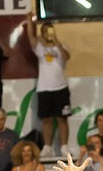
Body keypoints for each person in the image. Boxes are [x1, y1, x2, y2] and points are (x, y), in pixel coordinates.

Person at [25, 14, 71, 153]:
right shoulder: (39, 48)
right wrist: (29, 20)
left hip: (61, 88)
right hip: (44, 88)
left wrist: (56, 41)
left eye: (49, 30)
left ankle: (64, 146)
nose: (47, 33)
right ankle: (47, 147)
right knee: (46, 119)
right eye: (44, 31)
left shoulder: (61, 46)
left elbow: (66, 57)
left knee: (62, 118)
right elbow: (31, 36)